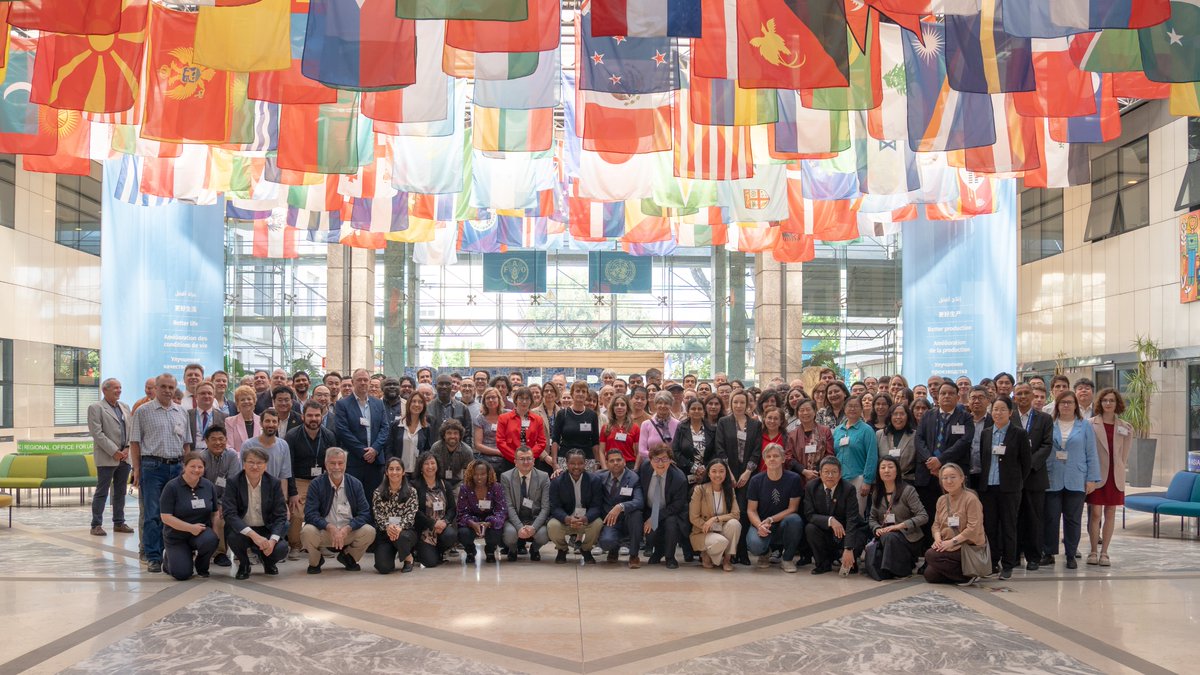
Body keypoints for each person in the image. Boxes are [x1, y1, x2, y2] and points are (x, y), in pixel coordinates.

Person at [131, 373, 194, 574]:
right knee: (152, 514)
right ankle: (153, 556)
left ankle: (173, 552)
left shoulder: (181, 412)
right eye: (163, 387)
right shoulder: (143, 411)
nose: (167, 390)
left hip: (176, 467)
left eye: (170, 387)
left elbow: (186, 444)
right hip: (152, 467)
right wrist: (137, 469)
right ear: (156, 388)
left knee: (177, 512)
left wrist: (186, 468)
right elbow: (135, 443)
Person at [1042, 391, 1100, 570]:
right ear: (1057, 405)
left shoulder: (1085, 426)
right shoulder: (1049, 424)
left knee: (1073, 519)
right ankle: (1049, 552)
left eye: (1069, 402)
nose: (1066, 405)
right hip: (1052, 477)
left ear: (1076, 405)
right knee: (1051, 518)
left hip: (1077, 478)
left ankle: (1071, 553)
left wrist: (1092, 479)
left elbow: (1091, 453)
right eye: (1062, 402)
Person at [913, 382, 974, 545]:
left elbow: (964, 442)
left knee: (952, 515)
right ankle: (929, 551)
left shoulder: (965, 417)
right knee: (929, 514)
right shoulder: (928, 416)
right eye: (943, 393)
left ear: (957, 396)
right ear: (937, 397)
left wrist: (941, 461)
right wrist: (930, 461)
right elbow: (919, 439)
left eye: (950, 393)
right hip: (928, 474)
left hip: (952, 477)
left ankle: (952, 549)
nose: (946, 396)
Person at [977, 397, 1031, 580]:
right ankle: (992, 562)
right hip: (988, 488)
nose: (998, 413)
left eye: (1002, 409)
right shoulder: (986, 433)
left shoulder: (1019, 434)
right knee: (990, 526)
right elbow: (984, 461)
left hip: (1009, 488)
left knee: (1009, 526)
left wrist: (1015, 482)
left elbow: (1026, 463)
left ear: (1010, 412)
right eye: (995, 409)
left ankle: (1008, 564)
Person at [300, 448, 375, 574]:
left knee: (369, 531)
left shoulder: (355, 484)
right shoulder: (316, 484)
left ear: (345, 464)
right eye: (332, 463)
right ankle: (316, 561)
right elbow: (310, 514)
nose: (336, 467)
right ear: (326, 464)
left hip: (348, 532)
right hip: (325, 531)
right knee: (307, 531)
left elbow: (365, 513)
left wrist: (348, 528)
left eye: (340, 463)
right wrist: (329, 527)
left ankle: (349, 558)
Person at [222, 447, 290, 580]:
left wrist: (272, 540)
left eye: (259, 463)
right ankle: (244, 563)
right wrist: (254, 536)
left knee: (281, 548)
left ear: (265, 465)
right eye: (251, 462)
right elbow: (230, 513)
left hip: (266, 528)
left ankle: (268, 562)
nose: (255, 466)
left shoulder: (274, 483)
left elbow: (281, 515)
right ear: (244, 463)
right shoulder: (233, 482)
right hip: (244, 529)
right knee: (232, 536)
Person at [715, 390, 762, 565]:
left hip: (748, 475)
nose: (739, 406)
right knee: (729, 513)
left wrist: (748, 472)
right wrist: (729, 473)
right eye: (735, 402)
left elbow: (757, 450)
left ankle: (743, 552)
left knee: (743, 512)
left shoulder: (755, 425)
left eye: (742, 402)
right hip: (728, 474)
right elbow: (719, 447)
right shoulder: (723, 422)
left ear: (748, 404)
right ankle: (730, 552)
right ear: (731, 403)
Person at [1087, 388, 1132, 567]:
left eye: (1111, 400)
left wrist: (1119, 468)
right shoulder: (1090, 424)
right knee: (1095, 513)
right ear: (1100, 403)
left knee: (1110, 512)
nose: (1108, 403)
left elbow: (1124, 454)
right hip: (1097, 475)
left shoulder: (1125, 427)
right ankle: (1092, 550)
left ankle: (1105, 552)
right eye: (1105, 400)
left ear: (1117, 403)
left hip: (1115, 475)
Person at [864, 456, 928, 580]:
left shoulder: (908, 490)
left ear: (897, 471)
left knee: (890, 537)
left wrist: (900, 526)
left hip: (909, 537)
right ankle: (892, 568)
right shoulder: (877, 492)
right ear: (878, 472)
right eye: (883, 467)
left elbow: (923, 516)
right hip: (886, 536)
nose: (886, 470)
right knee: (886, 537)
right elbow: (871, 518)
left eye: (890, 467)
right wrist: (877, 528)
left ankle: (899, 570)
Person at [923, 463, 987, 585]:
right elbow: (936, 524)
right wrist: (938, 540)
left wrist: (952, 542)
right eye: (944, 478)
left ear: (962, 478)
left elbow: (973, 528)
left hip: (967, 545)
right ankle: (964, 574)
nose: (949, 481)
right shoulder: (942, 500)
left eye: (953, 477)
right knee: (930, 575)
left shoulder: (971, 498)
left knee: (930, 555)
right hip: (947, 545)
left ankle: (968, 576)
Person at [285, 400, 334, 557]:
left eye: (317, 415)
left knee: (325, 511)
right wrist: (292, 492)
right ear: (303, 416)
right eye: (310, 415)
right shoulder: (292, 436)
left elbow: (333, 464)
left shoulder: (329, 436)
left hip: (322, 480)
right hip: (299, 480)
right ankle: (295, 545)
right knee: (297, 513)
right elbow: (288, 467)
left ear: (322, 416)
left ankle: (322, 543)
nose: (314, 419)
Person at [1013, 383, 1054, 571]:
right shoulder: (1008, 416)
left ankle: (1034, 557)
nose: (1022, 396)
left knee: (1035, 519)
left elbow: (1046, 445)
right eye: (1019, 393)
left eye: (1026, 393)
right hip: (1012, 476)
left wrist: (1028, 464)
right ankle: (1013, 556)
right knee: (1013, 518)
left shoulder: (1044, 419)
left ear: (1032, 396)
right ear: (1014, 397)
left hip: (1035, 476)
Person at [158, 452, 218, 580]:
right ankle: (169, 559)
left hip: (200, 532)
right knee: (182, 574)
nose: (196, 470)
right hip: (176, 536)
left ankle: (202, 565)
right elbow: (166, 517)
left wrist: (215, 532)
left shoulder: (208, 486)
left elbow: (214, 512)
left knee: (211, 540)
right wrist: (190, 528)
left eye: (200, 467)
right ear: (184, 466)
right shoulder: (172, 487)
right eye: (192, 466)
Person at [803, 457, 867, 575]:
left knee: (859, 534)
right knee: (810, 528)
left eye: (834, 472)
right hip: (827, 530)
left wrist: (848, 548)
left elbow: (852, 519)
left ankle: (849, 560)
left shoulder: (848, 489)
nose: (830, 475)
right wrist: (830, 520)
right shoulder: (811, 487)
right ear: (820, 474)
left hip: (847, 530)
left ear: (840, 474)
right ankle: (823, 564)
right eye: (826, 472)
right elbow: (809, 515)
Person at [746, 444, 804, 572]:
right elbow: (751, 510)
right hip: (762, 524)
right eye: (769, 456)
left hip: (783, 524)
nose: (772, 459)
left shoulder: (794, 479)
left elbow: (792, 509)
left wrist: (771, 519)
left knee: (795, 520)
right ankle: (764, 553)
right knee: (754, 544)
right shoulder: (756, 480)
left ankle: (787, 559)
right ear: (764, 460)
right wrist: (759, 525)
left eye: (776, 456)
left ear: (783, 459)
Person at [88, 378, 134, 537]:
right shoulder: (96, 408)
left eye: (120, 387)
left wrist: (127, 447)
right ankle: (96, 525)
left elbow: (131, 429)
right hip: (107, 457)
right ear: (104, 390)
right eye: (115, 388)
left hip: (125, 457)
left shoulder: (125, 407)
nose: (119, 391)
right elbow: (97, 433)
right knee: (102, 492)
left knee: (120, 492)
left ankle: (119, 522)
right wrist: (114, 451)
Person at [333, 368, 390, 496]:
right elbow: (343, 431)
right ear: (353, 382)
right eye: (359, 380)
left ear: (370, 382)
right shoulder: (342, 405)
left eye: (366, 380)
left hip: (376, 462)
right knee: (353, 498)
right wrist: (363, 451)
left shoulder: (378, 404)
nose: (363, 383)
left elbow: (385, 428)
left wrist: (375, 449)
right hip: (354, 461)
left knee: (375, 499)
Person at [547, 450, 604, 564]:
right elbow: (555, 507)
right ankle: (562, 549)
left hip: (586, 520)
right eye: (573, 463)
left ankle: (586, 549)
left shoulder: (594, 481)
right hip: (566, 520)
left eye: (580, 463)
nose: (577, 466)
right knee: (552, 526)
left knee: (598, 523)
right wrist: (567, 519)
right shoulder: (557, 482)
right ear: (566, 464)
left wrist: (586, 518)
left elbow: (597, 506)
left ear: (585, 464)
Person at [638, 444, 689, 568]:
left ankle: (670, 557)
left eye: (665, 459)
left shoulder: (679, 478)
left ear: (670, 460)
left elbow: (677, 505)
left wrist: (655, 517)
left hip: (671, 512)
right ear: (650, 460)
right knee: (650, 531)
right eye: (656, 459)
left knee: (671, 523)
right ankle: (658, 551)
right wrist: (651, 517)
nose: (660, 463)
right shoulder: (644, 468)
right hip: (649, 510)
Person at [198, 426, 241, 567]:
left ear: (226, 440)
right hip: (204, 501)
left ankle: (220, 553)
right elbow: (199, 486)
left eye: (221, 439)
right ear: (206, 441)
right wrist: (213, 505)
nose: (218, 443)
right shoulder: (201, 458)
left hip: (226, 500)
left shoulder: (232, 456)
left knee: (221, 518)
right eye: (213, 439)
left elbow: (233, 484)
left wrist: (222, 504)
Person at [689, 458, 741, 571]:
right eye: (714, 471)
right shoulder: (700, 490)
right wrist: (708, 526)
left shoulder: (729, 490)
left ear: (726, 473)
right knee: (720, 541)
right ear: (708, 473)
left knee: (735, 524)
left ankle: (727, 559)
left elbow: (736, 514)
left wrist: (715, 519)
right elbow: (693, 517)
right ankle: (705, 554)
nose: (718, 475)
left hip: (722, 529)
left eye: (722, 471)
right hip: (703, 531)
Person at [500, 447, 551, 561]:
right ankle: (513, 549)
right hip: (514, 519)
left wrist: (533, 527)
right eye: (522, 459)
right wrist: (519, 527)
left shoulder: (544, 477)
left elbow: (545, 507)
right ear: (515, 462)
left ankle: (535, 548)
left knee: (543, 535)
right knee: (509, 535)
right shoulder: (506, 477)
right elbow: (509, 506)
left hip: (534, 518)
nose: (526, 462)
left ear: (533, 460)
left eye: (529, 459)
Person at [598, 448, 645, 568]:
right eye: (612, 460)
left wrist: (621, 506)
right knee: (606, 542)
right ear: (606, 463)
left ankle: (634, 555)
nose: (616, 463)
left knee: (637, 514)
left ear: (624, 461)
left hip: (628, 520)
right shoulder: (599, 477)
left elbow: (639, 501)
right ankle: (613, 549)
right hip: (610, 521)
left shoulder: (633, 478)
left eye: (619, 460)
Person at [831, 395, 878, 515]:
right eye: (850, 406)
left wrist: (867, 481)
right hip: (838, 479)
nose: (853, 409)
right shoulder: (837, 430)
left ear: (861, 409)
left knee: (856, 514)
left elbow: (872, 456)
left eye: (856, 406)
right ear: (844, 409)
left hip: (858, 478)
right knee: (838, 512)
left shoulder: (867, 430)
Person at [372, 458, 419, 574]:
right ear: (386, 472)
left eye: (398, 469)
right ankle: (394, 552)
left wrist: (399, 527)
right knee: (383, 568)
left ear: (403, 472)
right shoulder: (378, 492)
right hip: (385, 533)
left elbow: (411, 515)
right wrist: (388, 527)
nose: (394, 472)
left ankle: (408, 558)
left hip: (405, 532)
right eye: (391, 469)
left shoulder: (411, 492)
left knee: (402, 537)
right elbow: (378, 515)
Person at [456, 459, 507, 564]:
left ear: (488, 474)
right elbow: (461, 513)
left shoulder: (496, 487)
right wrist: (472, 523)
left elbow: (501, 511)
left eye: (483, 474)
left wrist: (489, 522)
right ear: (471, 474)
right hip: (471, 520)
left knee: (496, 531)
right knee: (463, 532)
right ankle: (470, 551)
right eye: (476, 474)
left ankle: (490, 551)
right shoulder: (465, 488)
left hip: (491, 519)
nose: (479, 477)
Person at [413, 451, 457, 568]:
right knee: (430, 562)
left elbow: (452, 508)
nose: (430, 466)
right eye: (426, 464)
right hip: (424, 530)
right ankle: (419, 550)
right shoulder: (414, 486)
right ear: (421, 467)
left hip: (442, 527)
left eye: (433, 463)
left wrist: (445, 522)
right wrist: (433, 523)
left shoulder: (444, 485)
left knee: (451, 535)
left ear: (437, 466)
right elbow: (415, 511)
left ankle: (440, 550)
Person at [496, 387, 549, 476]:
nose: (524, 402)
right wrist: (517, 458)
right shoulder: (504, 418)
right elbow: (500, 442)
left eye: (527, 398)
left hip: (532, 462)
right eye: (521, 398)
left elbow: (542, 442)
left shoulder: (538, 419)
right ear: (515, 400)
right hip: (510, 461)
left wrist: (528, 457)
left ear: (531, 401)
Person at [553, 381, 602, 471]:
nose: (580, 393)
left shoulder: (592, 415)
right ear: (572, 393)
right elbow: (555, 440)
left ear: (587, 394)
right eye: (578, 391)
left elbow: (595, 441)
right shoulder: (562, 414)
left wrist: (597, 462)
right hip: (565, 459)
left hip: (587, 460)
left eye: (583, 391)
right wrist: (555, 463)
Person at [786, 399, 835, 485]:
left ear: (815, 411)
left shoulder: (825, 431)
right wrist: (804, 471)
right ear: (797, 413)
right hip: (799, 478)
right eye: (801, 410)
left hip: (821, 477)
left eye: (808, 409)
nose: (805, 413)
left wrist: (816, 471)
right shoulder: (792, 435)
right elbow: (788, 457)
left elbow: (829, 453)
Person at [673, 398, 716, 486]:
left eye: (700, 409)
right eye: (693, 409)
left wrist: (705, 469)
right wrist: (694, 468)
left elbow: (715, 452)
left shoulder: (712, 429)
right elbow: (676, 451)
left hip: (707, 474)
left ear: (704, 411)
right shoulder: (681, 428)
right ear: (688, 411)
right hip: (685, 473)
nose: (696, 411)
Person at [386, 391, 431, 474]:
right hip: (398, 473)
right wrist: (392, 467)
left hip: (417, 473)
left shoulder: (426, 427)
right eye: (414, 401)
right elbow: (389, 448)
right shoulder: (397, 425)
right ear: (408, 404)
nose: (417, 404)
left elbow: (427, 450)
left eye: (420, 402)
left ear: (424, 406)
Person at [430, 374, 475, 446]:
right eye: (441, 384)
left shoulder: (463, 408)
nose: (444, 386)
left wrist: (466, 454)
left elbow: (467, 436)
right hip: (432, 452)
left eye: (447, 384)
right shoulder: (427, 408)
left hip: (457, 452)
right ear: (435, 386)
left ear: (452, 387)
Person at [877, 403, 917, 484]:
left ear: (907, 417)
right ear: (890, 417)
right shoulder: (879, 434)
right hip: (884, 481)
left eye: (902, 414)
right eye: (895, 414)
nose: (898, 417)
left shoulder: (915, 435)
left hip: (908, 481)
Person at [430, 419, 473, 492]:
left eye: (455, 433)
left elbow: (468, 475)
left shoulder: (467, 451)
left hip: (458, 483)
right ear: (444, 435)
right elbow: (431, 469)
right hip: (439, 481)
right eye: (449, 433)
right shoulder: (436, 448)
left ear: (460, 435)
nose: (452, 436)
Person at [639, 392, 679, 469]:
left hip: (671, 466)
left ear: (671, 405)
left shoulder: (678, 424)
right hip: (651, 465)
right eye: (660, 403)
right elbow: (642, 450)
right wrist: (658, 459)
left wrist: (667, 460)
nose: (663, 406)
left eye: (666, 403)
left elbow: (678, 449)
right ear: (655, 404)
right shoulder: (646, 424)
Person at [601, 394, 640, 471]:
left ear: (627, 408)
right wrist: (604, 469)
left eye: (622, 404)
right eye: (616, 405)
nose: (619, 407)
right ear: (612, 408)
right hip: (611, 466)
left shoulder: (635, 427)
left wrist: (635, 469)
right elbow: (601, 451)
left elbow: (639, 452)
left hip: (629, 466)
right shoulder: (606, 427)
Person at [964, 386, 993, 490]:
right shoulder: (962, 421)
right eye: (973, 398)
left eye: (981, 397)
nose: (976, 401)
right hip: (966, 474)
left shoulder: (994, 422)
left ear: (988, 400)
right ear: (968, 401)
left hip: (987, 475)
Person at [188, 382, 228, 451]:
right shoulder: (187, 415)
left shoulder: (224, 417)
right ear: (196, 396)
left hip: (214, 455)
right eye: (203, 393)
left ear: (214, 396)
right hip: (193, 455)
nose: (206, 396)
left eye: (209, 393)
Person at [225, 385, 261, 453]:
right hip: (238, 461)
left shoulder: (261, 421)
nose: (246, 402)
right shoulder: (229, 422)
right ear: (237, 404)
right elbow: (229, 447)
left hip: (259, 462)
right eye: (242, 400)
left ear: (254, 401)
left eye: (249, 399)